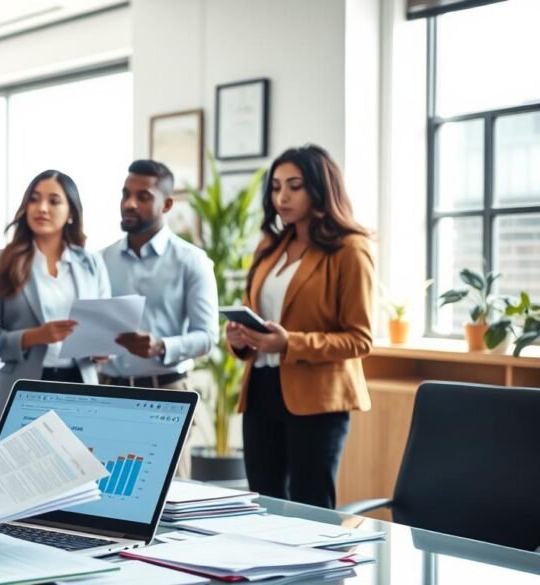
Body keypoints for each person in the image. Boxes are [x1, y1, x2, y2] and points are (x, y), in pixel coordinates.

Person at [226, 144, 374, 509]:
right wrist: (241, 337)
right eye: (276, 187)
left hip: (317, 399)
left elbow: (360, 338)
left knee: (310, 506)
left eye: (294, 186)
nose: (282, 196)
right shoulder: (270, 245)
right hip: (261, 388)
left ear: (320, 189)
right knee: (263, 502)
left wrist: (289, 343)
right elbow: (254, 309)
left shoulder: (350, 250)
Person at [100, 160, 218, 479]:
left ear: (166, 203)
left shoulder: (192, 262)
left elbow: (208, 335)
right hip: (107, 391)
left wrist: (161, 345)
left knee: (167, 497)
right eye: (125, 194)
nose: (129, 203)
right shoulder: (102, 259)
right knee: (106, 492)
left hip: (166, 395)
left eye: (143, 196)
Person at [0, 170, 111, 437]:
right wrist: (34, 336)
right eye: (34, 199)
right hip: (21, 387)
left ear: (71, 212)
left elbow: (105, 328)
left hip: (79, 386)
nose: (42, 208)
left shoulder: (91, 263)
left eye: (54, 201)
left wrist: (103, 349)